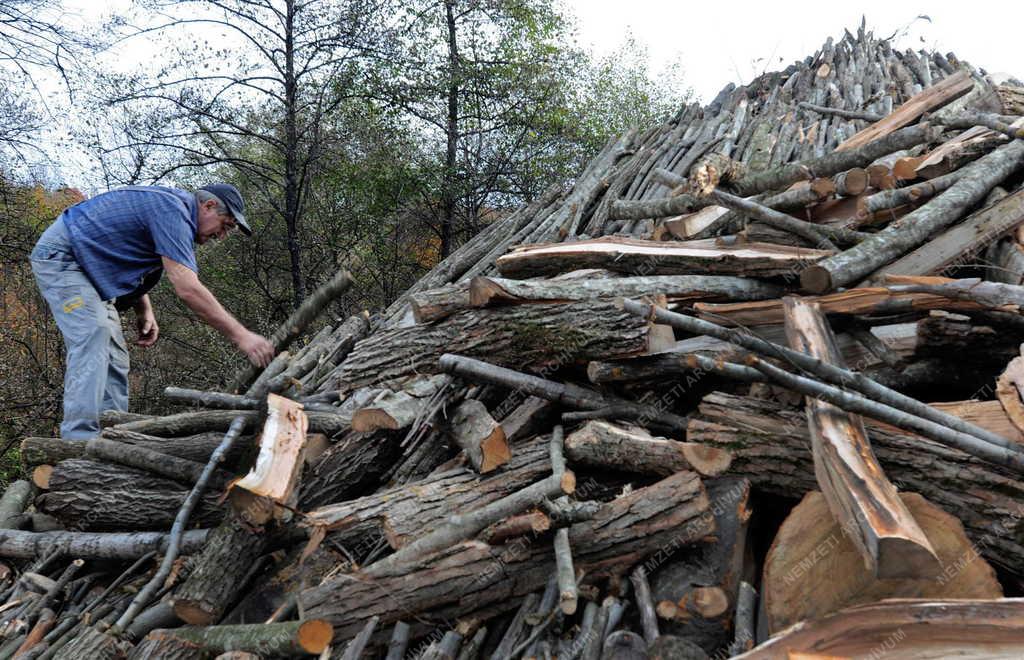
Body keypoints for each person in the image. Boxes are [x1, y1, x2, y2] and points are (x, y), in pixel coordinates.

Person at [29, 183, 275, 440]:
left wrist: (144, 309)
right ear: (209, 205)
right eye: (225, 225)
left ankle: (108, 437)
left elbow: (129, 253)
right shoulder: (172, 212)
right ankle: (78, 440)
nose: (221, 235)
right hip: (63, 257)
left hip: (91, 271)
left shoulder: (175, 214)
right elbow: (188, 289)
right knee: (94, 334)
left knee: (115, 357)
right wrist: (242, 336)